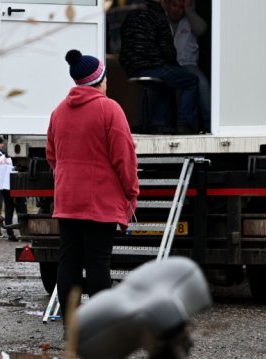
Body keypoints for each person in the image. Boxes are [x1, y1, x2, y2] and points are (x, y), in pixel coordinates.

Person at [47, 49, 140, 318]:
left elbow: (52, 156)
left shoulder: (58, 112)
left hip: (67, 201)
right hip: (100, 202)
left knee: (69, 263)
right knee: (98, 263)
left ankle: (71, 325)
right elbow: (124, 157)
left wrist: (67, 179)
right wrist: (131, 191)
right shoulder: (110, 109)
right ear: (99, 80)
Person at [119, 0, 199, 134]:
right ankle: (185, 124)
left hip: (131, 67)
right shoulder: (158, 15)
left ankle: (157, 124)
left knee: (164, 83)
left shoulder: (131, 14)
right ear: (164, 3)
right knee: (191, 80)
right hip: (152, 65)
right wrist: (175, 66)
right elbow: (167, 49)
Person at [166, 0, 211, 132]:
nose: (177, 10)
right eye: (174, 5)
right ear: (168, 5)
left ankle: (210, 125)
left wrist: (189, 11)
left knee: (203, 84)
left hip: (188, 65)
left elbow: (202, 29)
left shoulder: (189, 20)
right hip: (168, 66)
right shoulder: (161, 20)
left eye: (181, 7)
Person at [0, 147, 27, 242]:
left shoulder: (0, 158)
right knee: (21, 211)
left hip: (3, 187)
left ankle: (10, 234)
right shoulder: (14, 160)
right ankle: (24, 233)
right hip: (15, 187)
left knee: (8, 210)